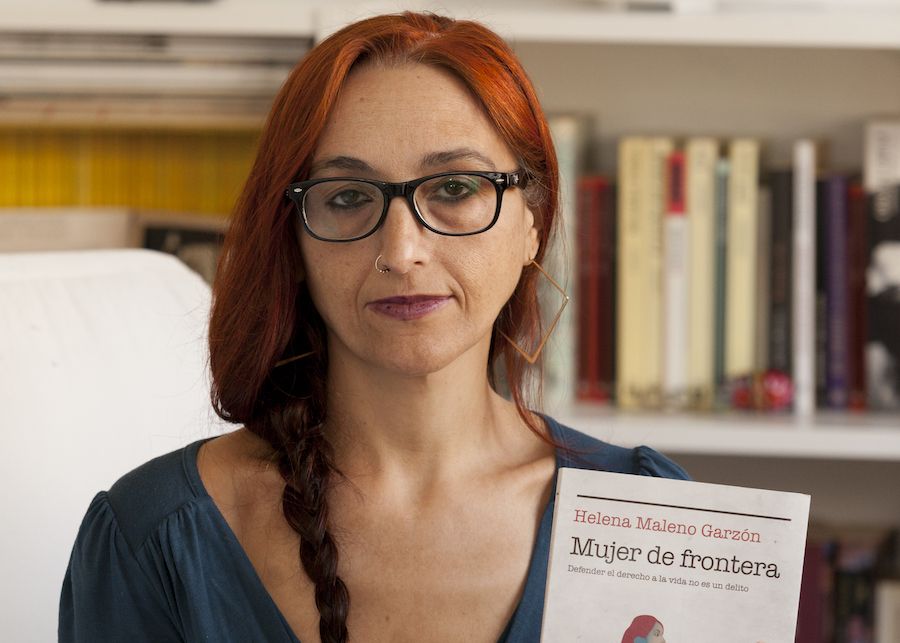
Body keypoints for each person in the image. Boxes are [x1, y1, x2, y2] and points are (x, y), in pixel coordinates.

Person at [59, 11, 688, 643]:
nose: (402, 250)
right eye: (347, 197)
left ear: (533, 220)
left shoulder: (655, 519)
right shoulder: (152, 538)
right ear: (293, 243)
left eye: (455, 187)